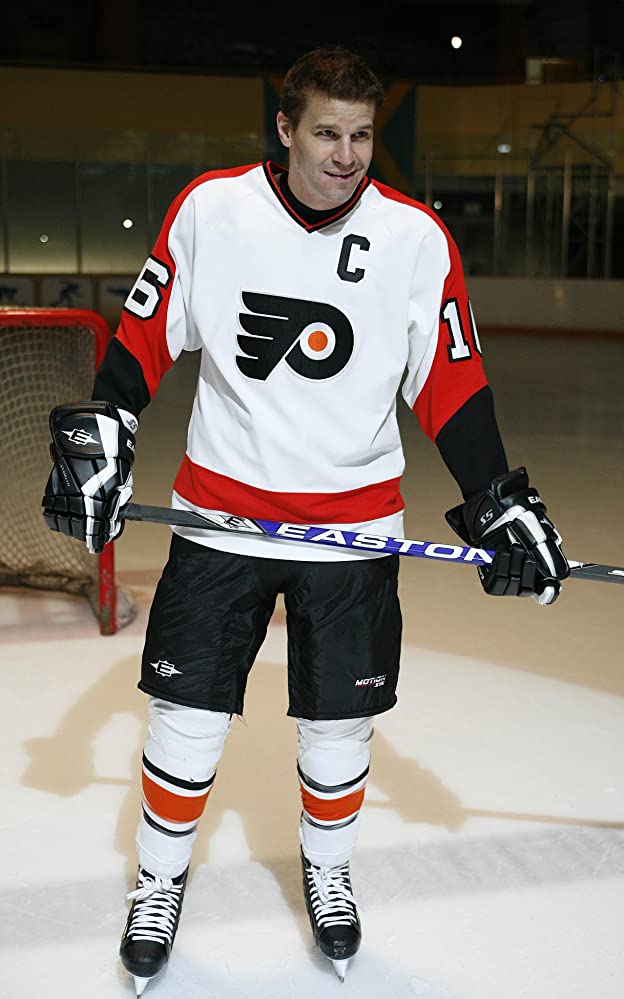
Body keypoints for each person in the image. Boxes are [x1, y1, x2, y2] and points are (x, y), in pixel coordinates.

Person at [42, 47, 569, 996]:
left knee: (340, 728)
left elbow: (451, 382)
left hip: (355, 533)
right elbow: (146, 332)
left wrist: (496, 495)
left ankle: (329, 871)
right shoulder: (212, 209)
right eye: (326, 133)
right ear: (285, 128)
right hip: (222, 519)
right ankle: (158, 881)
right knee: (186, 722)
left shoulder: (415, 238)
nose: (346, 155)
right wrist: (109, 420)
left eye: (361, 135)